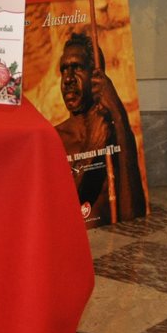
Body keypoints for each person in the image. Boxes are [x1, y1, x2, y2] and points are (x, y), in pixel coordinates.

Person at [53, 32, 147, 227]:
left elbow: (134, 217)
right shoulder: (53, 139)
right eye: (64, 70)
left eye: (77, 68)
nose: (68, 79)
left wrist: (120, 117)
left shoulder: (115, 135)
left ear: (97, 76)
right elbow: (55, 212)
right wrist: (91, 149)